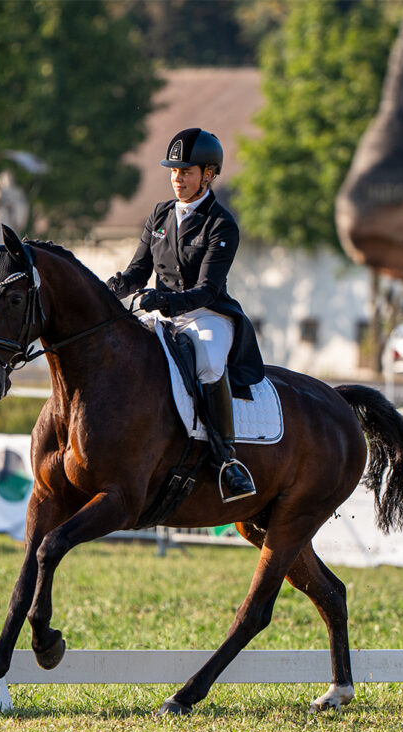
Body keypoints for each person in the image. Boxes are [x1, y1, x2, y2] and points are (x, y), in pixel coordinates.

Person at [106, 128, 265, 503]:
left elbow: (208, 289)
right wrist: (109, 288)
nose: (178, 179)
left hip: (206, 315)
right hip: (163, 313)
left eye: (187, 172)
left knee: (209, 363)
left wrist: (163, 300)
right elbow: (136, 272)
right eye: (174, 172)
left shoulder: (221, 224)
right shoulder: (159, 214)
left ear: (208, 175)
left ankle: (227, 460)